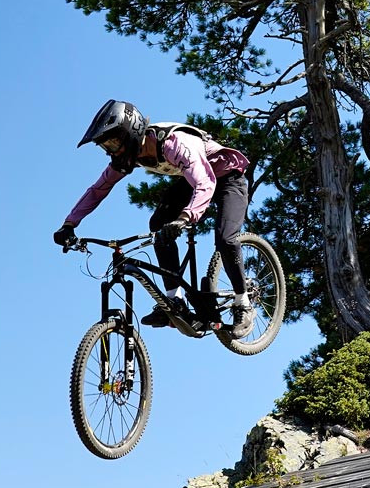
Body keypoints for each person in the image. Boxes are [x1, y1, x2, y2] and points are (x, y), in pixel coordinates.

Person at [54, 100, 253, 328]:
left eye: (113, 142)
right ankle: (174, 300)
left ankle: (243, 302)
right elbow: (99, 189)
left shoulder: (175, 144)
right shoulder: (130, 157)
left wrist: (185, 218)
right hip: (193, 182)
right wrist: (70, 223)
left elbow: (206, 183)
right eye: (106, 146)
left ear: (132, 132)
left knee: (225, 238)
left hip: (228, 178)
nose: (111, 151)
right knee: (158, 225)